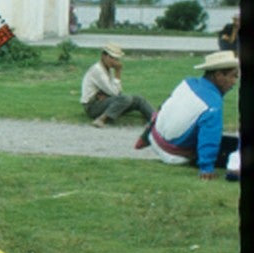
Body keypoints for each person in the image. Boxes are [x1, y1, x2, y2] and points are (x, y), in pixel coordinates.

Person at [145, 50, 239, 179]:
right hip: (175, 156)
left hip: (155, 139)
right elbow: (210, 138)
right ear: (218, 75)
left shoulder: (188, 83)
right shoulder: (212, 104)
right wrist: (207, 168)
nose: (234, 82)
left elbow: (163, 108)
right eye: (233, 76)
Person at [80, 43, 154, 128]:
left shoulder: (109, 69)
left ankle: (155, 119)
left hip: (104, 100)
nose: (114, 61)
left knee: (138, 99)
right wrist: (118, 72)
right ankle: (101, 119)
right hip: (93, 106)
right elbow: (115, 93)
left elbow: (117, 92)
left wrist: (109, 96)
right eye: (111, 58)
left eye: (116, 59)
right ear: (103, 56)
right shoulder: (98, 71)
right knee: (125, 99)